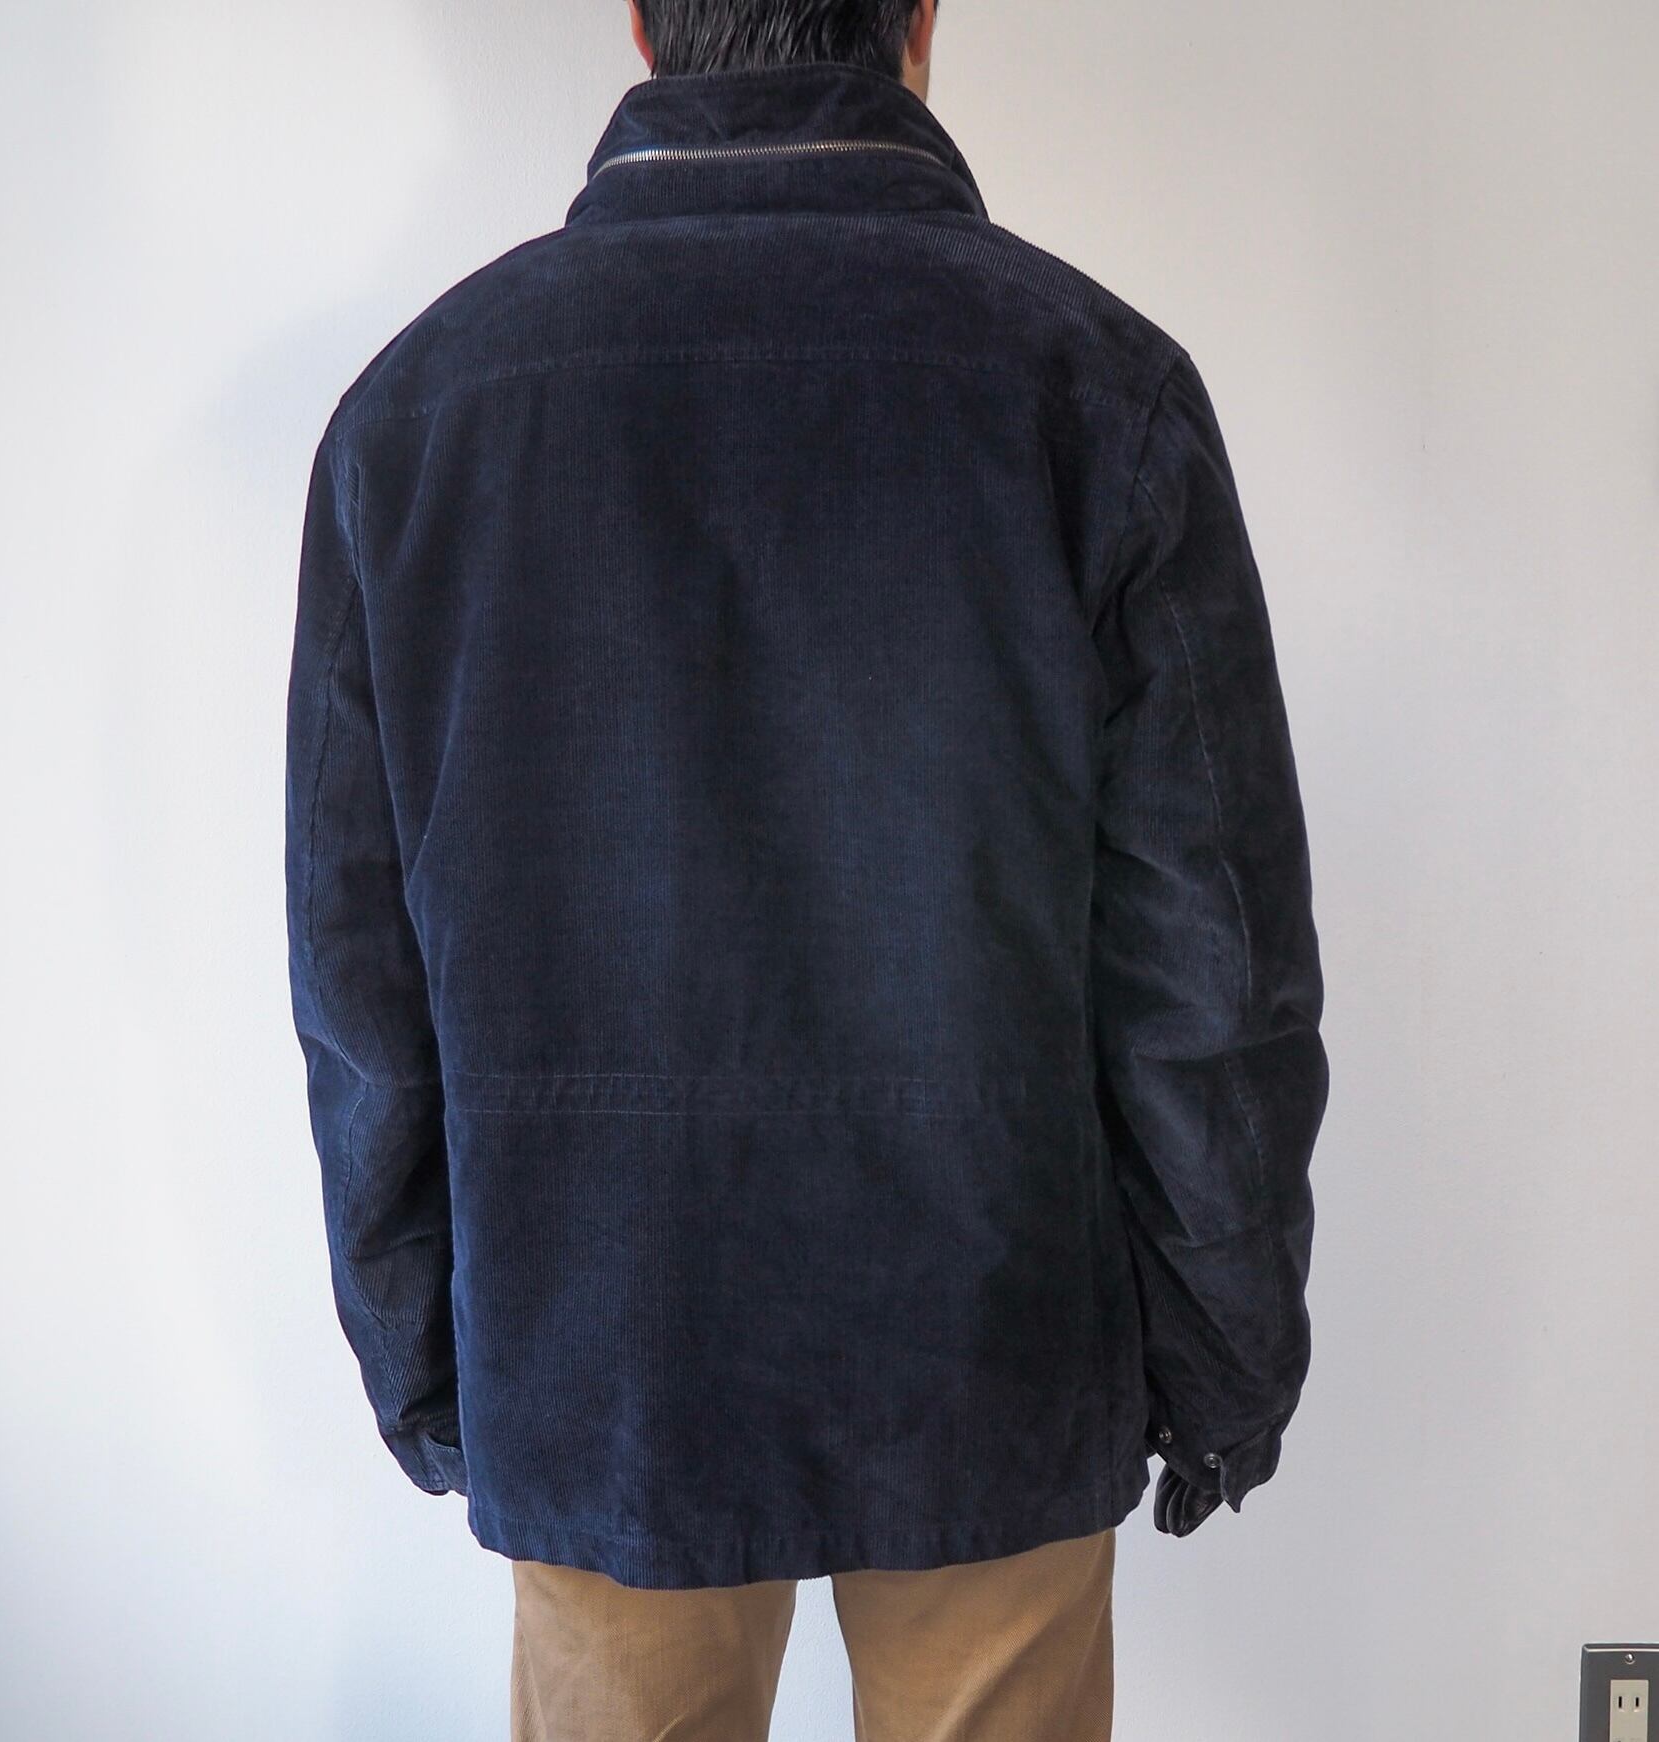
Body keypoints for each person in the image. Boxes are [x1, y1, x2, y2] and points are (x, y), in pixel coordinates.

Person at [282, 1, 1330, 1736]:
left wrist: (429, 1356)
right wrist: (1225, 1351)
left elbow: (357, 978)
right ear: (917, 21)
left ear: (641, 24)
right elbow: (1208, 964)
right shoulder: (1093, 387)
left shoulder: (420, 415)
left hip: (603, 1351)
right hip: (992, 1346)